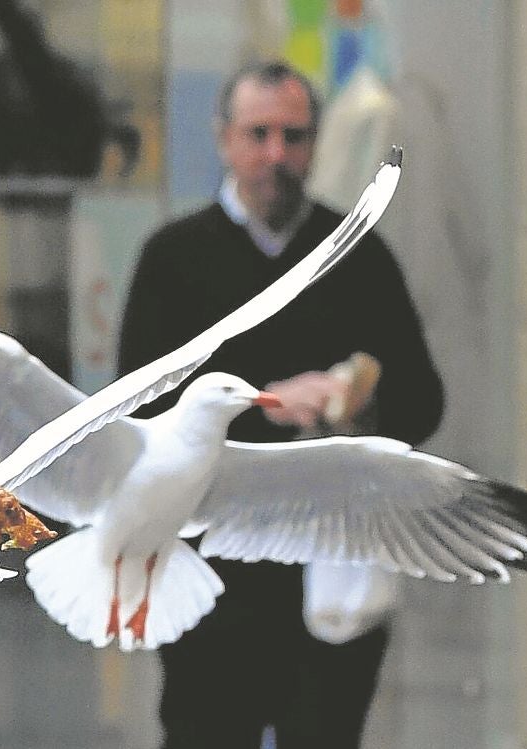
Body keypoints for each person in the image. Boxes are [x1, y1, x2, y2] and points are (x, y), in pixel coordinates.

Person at [117, 60, 444, 749]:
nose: (276, 155)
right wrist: (257, 405)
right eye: (258, 133)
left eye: (293, 136)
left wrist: (360, 403)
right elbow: (134, 417)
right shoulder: (173, 260)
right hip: (210, 583)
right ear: (223, 140)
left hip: (329, 583)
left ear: (316, 143)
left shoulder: (356, 253)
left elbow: (423, 399)